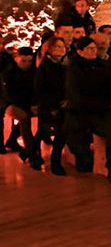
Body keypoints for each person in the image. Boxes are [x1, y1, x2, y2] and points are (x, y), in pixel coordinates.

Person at [64, 37, 111, 173]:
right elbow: (77, 96)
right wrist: (104, 104)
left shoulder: (102, 66)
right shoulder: (74, 70)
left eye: (94, 48)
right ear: (80, 51)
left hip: (103, 107)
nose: (94, 51)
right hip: (83, 111)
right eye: (89, 48)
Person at [1, 47, 40, 166]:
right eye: (24, 61)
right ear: (16, 59)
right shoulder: (8, 73)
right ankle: (32, 154)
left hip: (29, 103)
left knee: (45, 119)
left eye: (29, 61)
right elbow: (9, 95)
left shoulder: (34, 71)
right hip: (10, 104)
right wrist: (29, 106)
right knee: (24, 120)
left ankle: (22, 147)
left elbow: (37, 90)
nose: (27, 64)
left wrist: (34, 104)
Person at [34, 37, 68, 175]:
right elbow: (40, 90)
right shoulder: (44, 67)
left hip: (63, 104)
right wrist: (53, 106)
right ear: (49, 49)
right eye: (57, 46)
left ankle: (55, 160)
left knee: (61, 132)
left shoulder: (66, 65)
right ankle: (34, 153)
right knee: (44, 130)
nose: (60, 49)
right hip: (49, 106)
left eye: (62, 46)